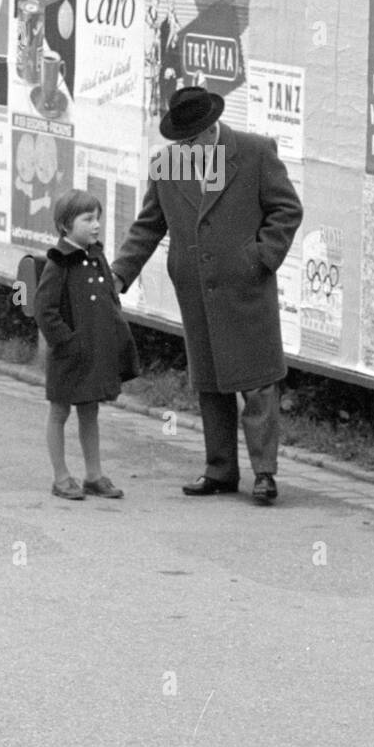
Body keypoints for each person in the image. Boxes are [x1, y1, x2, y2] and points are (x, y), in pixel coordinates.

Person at [112, 86, 303, 505]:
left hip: (246, 285)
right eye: (181, 142)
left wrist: (259, 258)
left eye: (194, 140)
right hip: (197, 288)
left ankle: (265, 474)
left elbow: (287, 209)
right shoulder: (167, 165)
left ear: (212, 128)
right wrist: (119, 275)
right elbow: (148, 226)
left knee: (258, 382)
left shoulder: (254, 152)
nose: (187, 148)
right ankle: (219, 470)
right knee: (210, 381)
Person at [33, 190, 139, 500]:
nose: (96, 225)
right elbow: (45, 309)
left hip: (95, 351)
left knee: (90, 411)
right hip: (69, 354)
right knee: (59, 412)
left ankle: (93, 475)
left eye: (98, 218)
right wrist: (67, 342)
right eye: (88, 219)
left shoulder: (96, 256)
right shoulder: (59, 263)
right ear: (66, 225)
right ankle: (61, 477)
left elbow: (109, 302)